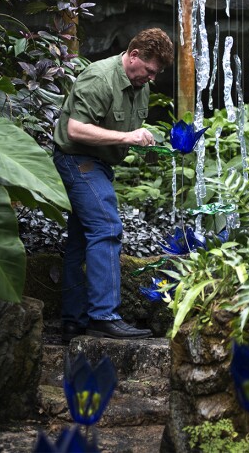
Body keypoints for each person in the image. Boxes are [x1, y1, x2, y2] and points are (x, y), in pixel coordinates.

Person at [52, 28, 174, 341]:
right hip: (77, 159)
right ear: (134, 55)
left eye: (155, 74)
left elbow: (127, 129)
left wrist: (147, 143)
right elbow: (76, 129)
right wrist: (127, 137)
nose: (150, 78)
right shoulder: (100, 78)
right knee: (106, 226)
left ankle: (73, 321)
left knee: (81, 240)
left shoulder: (140, 85)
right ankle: (104, 316)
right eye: (148, 70)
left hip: (100, 164)